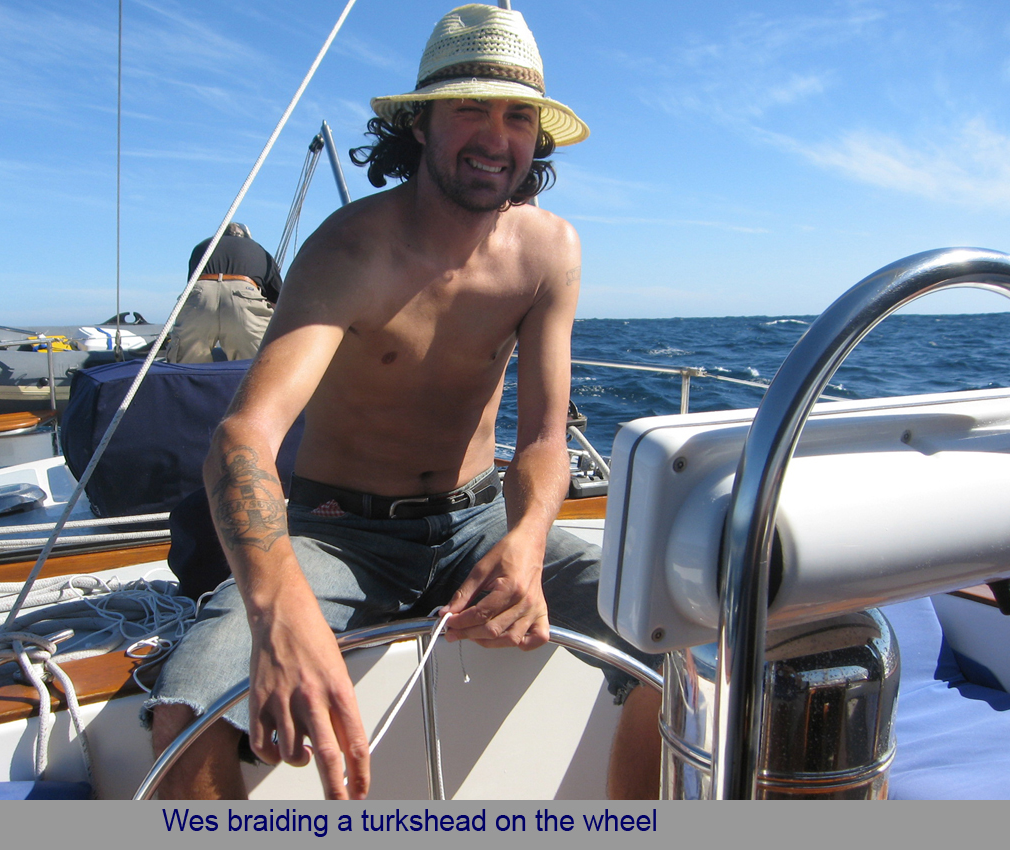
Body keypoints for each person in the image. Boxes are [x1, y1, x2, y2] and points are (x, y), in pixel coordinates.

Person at [144, 4, 664, 800]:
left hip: (481, 522)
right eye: (470, 109)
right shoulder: (348, 251)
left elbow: (542, 440)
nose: (496, 137)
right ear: (419, 124)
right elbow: (241, 439)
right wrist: (278, 604)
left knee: (678, 635)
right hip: (338, 535)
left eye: (517, 116)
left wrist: (528, 540)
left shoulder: (549, 251)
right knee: (190, 713)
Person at [168, 222, 283, 362]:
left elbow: (192, 284)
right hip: (244, 297)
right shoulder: (260, 251)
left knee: (187, 365)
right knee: (255, 365)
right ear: (247, 237)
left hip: (201, 295)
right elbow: (279, 301)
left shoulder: (202, 246)